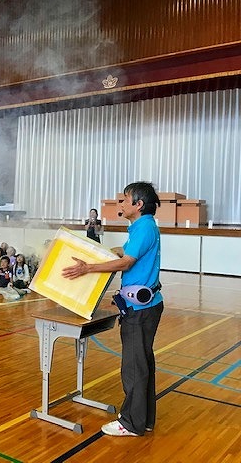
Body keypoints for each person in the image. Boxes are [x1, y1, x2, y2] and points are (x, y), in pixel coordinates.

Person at [62, 181, 163, 437]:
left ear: (138, 204)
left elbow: (127, 263)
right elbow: (125, 252)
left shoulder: (143, 228)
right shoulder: (142, 227)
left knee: (134, 366)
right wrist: (101, 252)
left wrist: (88, 268)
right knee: (143, 364)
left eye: (124, 199)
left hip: (140, 310)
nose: (120, 204)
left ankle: (130, 423)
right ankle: (144, 419)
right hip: (144, 306)